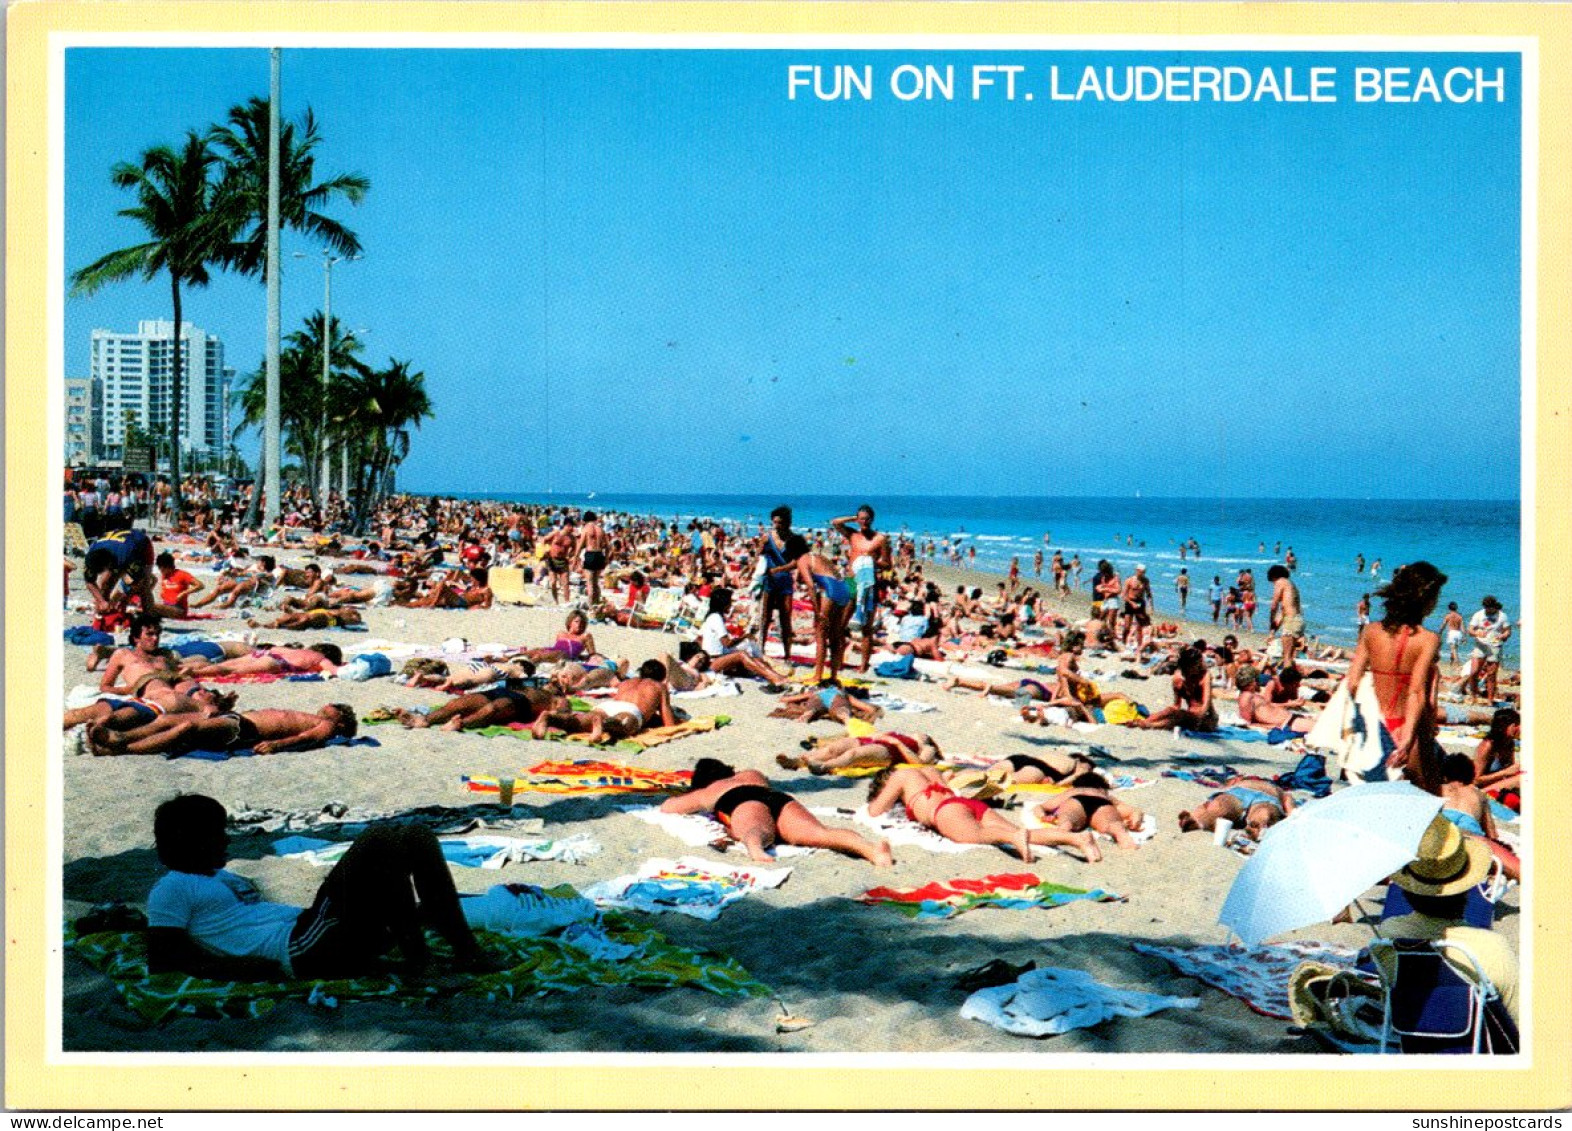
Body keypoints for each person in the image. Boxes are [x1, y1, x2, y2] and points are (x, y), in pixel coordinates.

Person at [146, 794, 497, 982]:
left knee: (415, 836)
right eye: (216, 834)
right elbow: (164, 957)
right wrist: (243, 969)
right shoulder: (173, 886)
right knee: (377, 839)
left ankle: (467, 951)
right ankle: (420, 961)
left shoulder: (222, 878)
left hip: (316, 934)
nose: (225, 840)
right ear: (190, 841)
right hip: (301, 949)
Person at [1373, 815, 1518, 1027]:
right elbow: (1519, 1022)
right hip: (1473, 1043)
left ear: (1407, 892)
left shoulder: (1389, 935)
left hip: (1410, 1034)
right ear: (1467, 889)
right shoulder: (1491, 947)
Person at [662, 759, 893, 866]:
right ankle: (871, 850)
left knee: (757, 829)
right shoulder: (751, 773)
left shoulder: (710, 790)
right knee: (820, 832)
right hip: (778, 798)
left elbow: (668, 807)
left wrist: (695, 795)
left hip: (740, 800)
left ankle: (756, 849)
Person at [1344, 561, 1447, 793]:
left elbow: (1352, 683)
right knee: (1427, 799)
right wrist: (1410, 739)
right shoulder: (1428, 639)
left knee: (1370, 797)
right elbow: (1418, 692)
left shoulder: (1371, 631)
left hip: (1374, 727)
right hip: (1409, 732)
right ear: (1426, 599)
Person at [866, 764, 1099, 862]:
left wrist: (891, 796)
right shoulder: (928, 769)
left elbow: (876, 810)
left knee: (976, 834)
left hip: (945, 811)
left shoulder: (901, 777)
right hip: (966, 803)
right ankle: (1077, 839)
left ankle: (1011, 838)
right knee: (1023, 831)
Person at [91, 703, 357, 757]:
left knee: (185, 728)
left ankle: (119, 744)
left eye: (335, 707)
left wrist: (276, 745)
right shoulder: (311, 715)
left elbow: (307, 738)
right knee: (167, 720)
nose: (327, 706)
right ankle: (113, 743)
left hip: (244, 728)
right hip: (237, 718)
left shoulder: (329, 725)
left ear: (342, 720)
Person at [530, 659, 675, 743]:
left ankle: (549, 718)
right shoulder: (659, 687)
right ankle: (606, 724)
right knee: (624, 724)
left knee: (579, 723)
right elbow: (668, 721)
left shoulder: (627, 682)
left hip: (608, 706)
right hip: (630, 710)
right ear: (661, 677)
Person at [831, 505, 892, 674]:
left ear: (872, 519)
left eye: (866, 519)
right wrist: (854, 517)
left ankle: (864, 664)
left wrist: (871, 561)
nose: (863, 522)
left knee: (866, 627)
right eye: (861, 519)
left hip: (868, 583)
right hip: (851, 580)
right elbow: (835, 522)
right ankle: (839, 658)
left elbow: (888, 564)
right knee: (841, 624)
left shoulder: (880, 539)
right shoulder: (853, 535)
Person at [1438, 754, 1519, 881]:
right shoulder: (1479, 795)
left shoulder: (1439, 789)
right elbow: (1491, 834)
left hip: (1444, 834)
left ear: (1445, 776)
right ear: (1470, 775)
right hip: (1472, 838)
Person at [83, 528, 186, 621]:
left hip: (142, 547)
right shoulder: (90, 556)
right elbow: (89, 582)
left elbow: (135, 581)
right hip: (117, 546)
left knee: (143, 585)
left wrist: (125, 599)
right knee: (104, 583)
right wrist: (101, 601)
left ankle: (148, 616)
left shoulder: (127, 555)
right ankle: (103, 614)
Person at [1030, 771, 1146, 851]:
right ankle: (1125, 841)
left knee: (1066, 824)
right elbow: (1134, 810)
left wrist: (1043, 816)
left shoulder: (1073, 791)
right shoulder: (1103, 794)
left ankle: (1064, 832)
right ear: (1102, 787)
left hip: (1077, 801)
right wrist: (1136, 820)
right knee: (1115, 826)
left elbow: (1040, 807)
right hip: (1101, 803)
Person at [696, 588, 790, 684]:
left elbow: (699, 638)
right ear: (723, 603)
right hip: (714, 660)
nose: (731, 605)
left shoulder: (711, 617)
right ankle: (774, 678)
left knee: (755, 659)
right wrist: (745, 637)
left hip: (714, 658)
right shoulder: (716, 618)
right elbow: (727, 643)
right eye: (729, 602)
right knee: (741, 655)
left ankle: (776, 676)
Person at [795, 550, 854, 684]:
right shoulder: (820, 557)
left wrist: (817, 612)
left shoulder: (802, 560)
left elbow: (811, 586)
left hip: (831, 588)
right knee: (835, 635)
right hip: (844, 588)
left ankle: (817, 675)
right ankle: (833, 676)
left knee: (820, 636)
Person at [1176, 775, 1295, 840]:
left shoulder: (1239, 782)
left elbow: (1219, 794)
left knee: (1220, 806)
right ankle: (1260, 824)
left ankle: (1199, 820)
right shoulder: (1279, 790)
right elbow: (1288, 800)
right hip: (1268, 796)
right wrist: (1291, 814)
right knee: (1264, 811)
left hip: (1240, 792)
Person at [1132, 645, 1216, 732]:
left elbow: (1205, 706)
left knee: (1180, 715)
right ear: (1188, 665)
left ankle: (1150, 725)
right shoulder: (1177, 679)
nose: (1199, 667)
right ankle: (1144, 721)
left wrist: (1196, 717)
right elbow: (1176, 705)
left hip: (1206, 718)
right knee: (1170, 710)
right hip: (1189, 715)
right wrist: (1167, 712)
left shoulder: (1205, 676)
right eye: (1196, 665)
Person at [775, 731, 941, 774]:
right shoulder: (911, 735)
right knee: (833, 748)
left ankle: (824, 767)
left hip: (890, 751)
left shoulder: (927, 747)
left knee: (853, 755)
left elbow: (920, 763)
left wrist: (897, 743)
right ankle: (797, 761)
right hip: (876, 740)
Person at [180, 643, 343, 678]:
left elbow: (274, 648)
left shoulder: (301, 649)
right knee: (230, 671)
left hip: (264, 653)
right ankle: (194, 672)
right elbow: (334, 670)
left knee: (220, 665)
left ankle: (180, 666)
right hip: (276, 663)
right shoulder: (321, 658)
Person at [1234, 666, 1314, 733]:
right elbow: (1247, 723)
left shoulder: (1252, 696)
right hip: (1287, 723)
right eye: (1258, 679)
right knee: (1322, 730)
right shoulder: (1246, 697)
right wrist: (1274, 726)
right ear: (1252, 682)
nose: (1260, 682)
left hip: (1290, 720)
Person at [1466, 596, 1512, 703]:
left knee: (1491, 674)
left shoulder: (1502, 616)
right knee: (1474, 671)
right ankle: (1474, 695)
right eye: (1486, 608)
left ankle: (1490, 699)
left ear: (1494, 607)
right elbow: (1470, 630)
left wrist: (1503, 636)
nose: (1488, 611)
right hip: (1480, 644)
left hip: (1495, 645)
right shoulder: (1478, 614)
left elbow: (1508, 631)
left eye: (1490, 608)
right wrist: (1476, 633)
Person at [1267, 563, 1305, 669]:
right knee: (1290, 656)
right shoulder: (1291, 587)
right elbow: (1282, 613)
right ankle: (1291, 677)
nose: (1273, 584)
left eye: (1272, 582)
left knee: (1287, 657)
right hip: (1298, 621)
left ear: (1274, 576)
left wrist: (1271, 620)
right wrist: (1272, 632)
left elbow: (1274, 606)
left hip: (1291, 621)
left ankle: (1287, 681)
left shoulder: (1281, 582)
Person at [576, 511, 609, 606]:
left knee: (589, 583)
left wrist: (575, 558)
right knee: (596, 583)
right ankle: (597, 605)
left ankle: (590, 607)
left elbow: (580, 545)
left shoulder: (586, 529)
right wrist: (606, 558)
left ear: (585, 520)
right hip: (599, 554)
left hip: (590, 554)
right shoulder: (601, 529)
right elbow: (608, 546)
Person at [155, 552, 204, 616]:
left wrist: (183, 593)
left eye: (162, 568)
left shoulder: (182, 574)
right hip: (166, 606)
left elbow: (200, 585)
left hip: (179, 608)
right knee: (147, 607)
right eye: (159, 568)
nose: (160, 570)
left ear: (169, 566)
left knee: (151, 607)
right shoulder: (164, 575)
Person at [1441, 602, 1465, 666]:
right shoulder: (1459, 616)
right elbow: (1462, 627)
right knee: (1454, 650)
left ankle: (1457, 663)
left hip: (1452, 633)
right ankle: (1451, 663)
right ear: (1456, 608)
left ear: (1449, 608)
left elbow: (1443, 625)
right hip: (1458, 633)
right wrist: (1464, 636)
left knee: (1453, 649)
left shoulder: (1448, 616)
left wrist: (1440, 632)